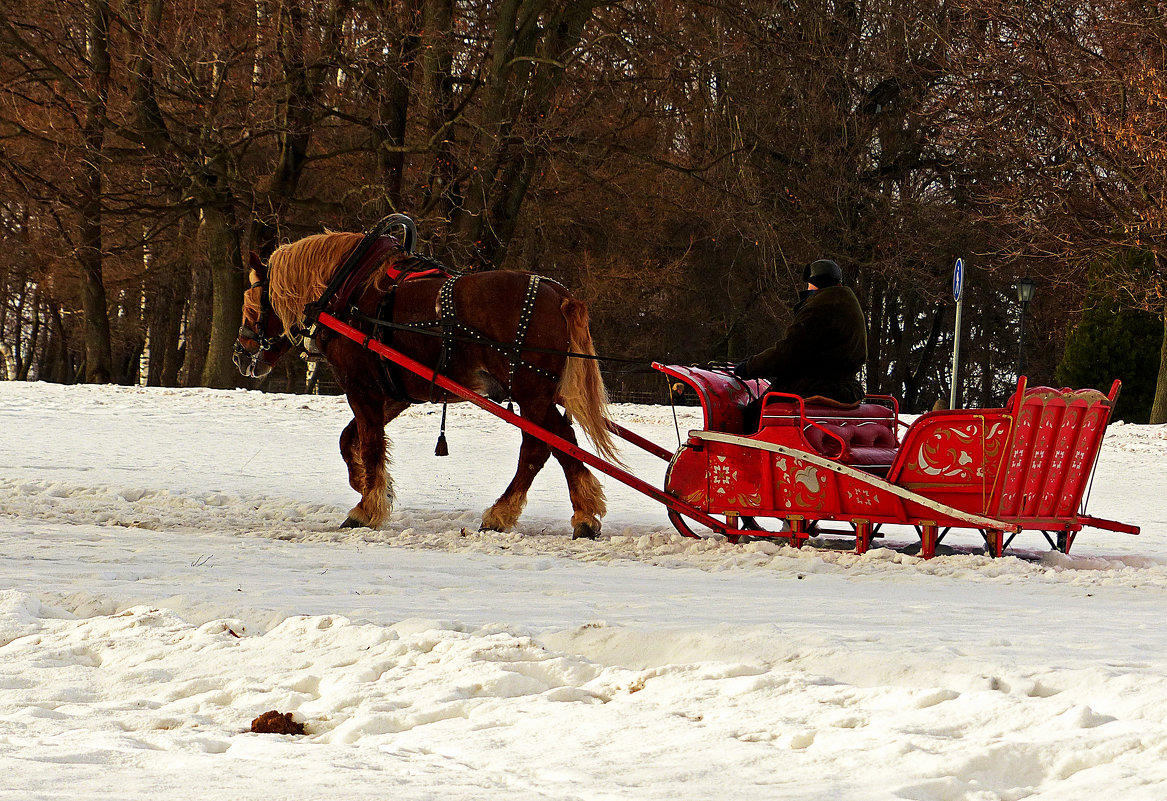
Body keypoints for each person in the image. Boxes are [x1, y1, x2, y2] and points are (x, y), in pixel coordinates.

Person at [733, 258, 867, 429]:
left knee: (752, 414)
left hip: (818, 386)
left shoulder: (820, 306)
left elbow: (788, 353)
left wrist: (749, 367)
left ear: (813, 282)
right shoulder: (848, 303)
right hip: (847, 387)